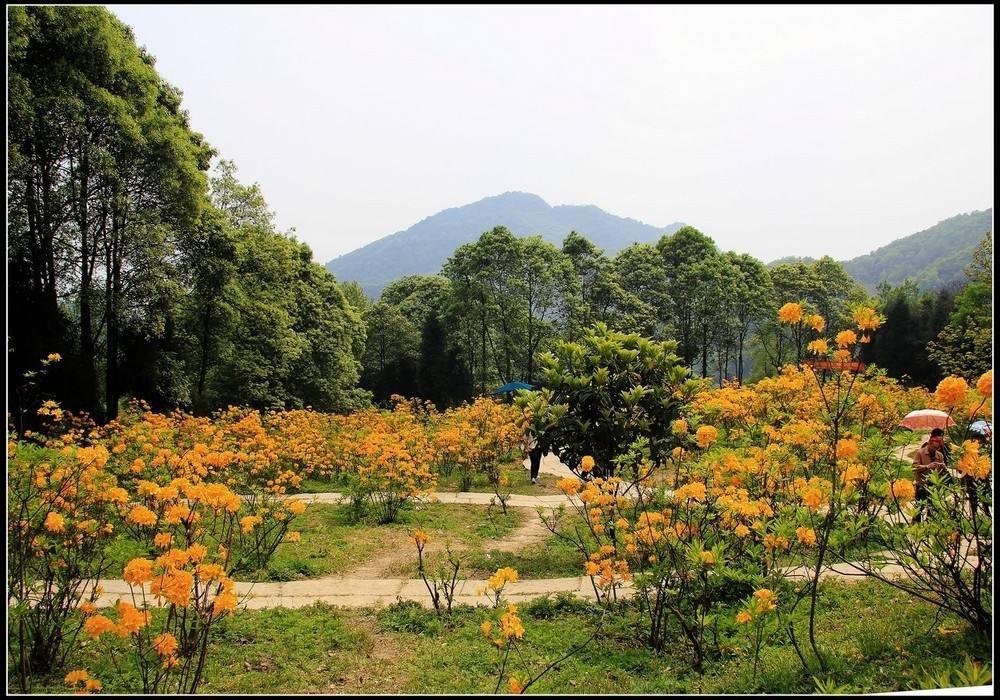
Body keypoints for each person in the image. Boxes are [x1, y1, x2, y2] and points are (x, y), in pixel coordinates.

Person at [911, 427, 947, 521]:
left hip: (933, 485)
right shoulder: (920, 453)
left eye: (937, 448)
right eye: (934, 447)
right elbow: (914, 467)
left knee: (932, 508)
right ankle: (915, 525)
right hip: (922, 485)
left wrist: (942, 467)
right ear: (929, 443)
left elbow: (941, 472)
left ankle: (929, 527)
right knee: (919, 508)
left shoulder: (939, 455)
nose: (935, 449)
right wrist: (927, 466)